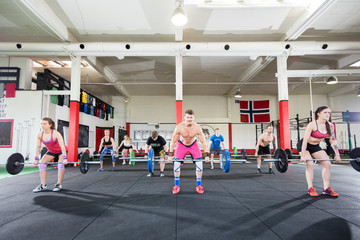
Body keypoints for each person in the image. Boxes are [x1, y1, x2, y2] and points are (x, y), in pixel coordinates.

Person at [297, 106, 341, 197]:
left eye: (329, 112)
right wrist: (303, 154)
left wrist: (337, 154)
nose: (328, 114)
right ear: (318, 114)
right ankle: (310, 188)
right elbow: (305, 140)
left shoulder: (330, 126)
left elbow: (333, 141)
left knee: (327, 164)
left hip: (315, 146)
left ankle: (326, 189)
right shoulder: (312, 124)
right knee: (310, 164)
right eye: (325, 112)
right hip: (304, 145)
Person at [168, 109, 209, 194]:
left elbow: (203, 142)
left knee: (199, 164)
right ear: (185, 117)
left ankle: (199, 186)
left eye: (191, 117)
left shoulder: (197, 128)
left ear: (193, 118)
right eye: (187, 117)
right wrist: (170, 155)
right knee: (176, 164)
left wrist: (206, 155)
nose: (189, 119)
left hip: (193, 145)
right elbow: (173, 141)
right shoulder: (179, 127)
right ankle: (176, 186)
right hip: (181, 145)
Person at [33, 117, 67, 192]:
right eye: (41, 124)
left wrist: (64, 158)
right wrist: (36, 159)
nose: (42, 125)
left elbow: (62, 146)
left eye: (45, 124)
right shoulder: (40, 134)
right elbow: (38, 147)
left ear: (50, 125)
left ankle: (59, 184)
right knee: (41, 164)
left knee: (60, 164)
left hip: (61, 151)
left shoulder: (56, 133)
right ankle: (43, 185)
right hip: (52, 151)